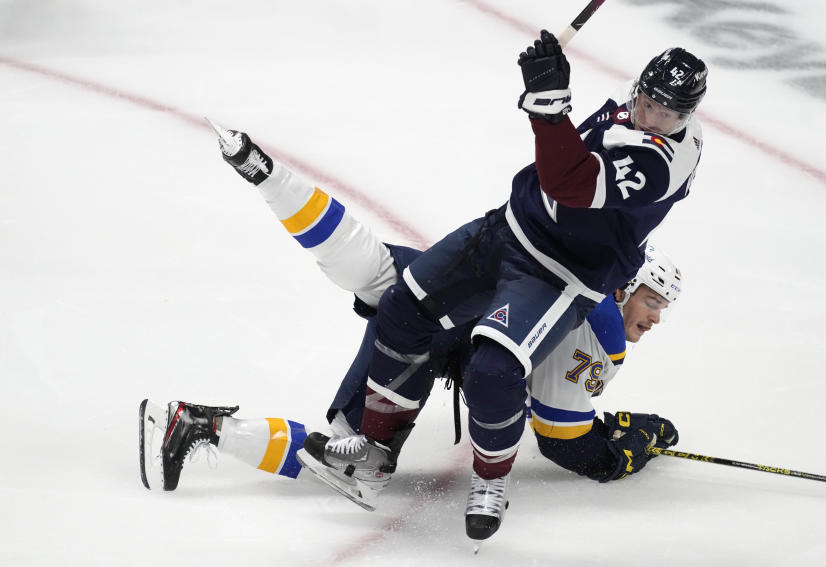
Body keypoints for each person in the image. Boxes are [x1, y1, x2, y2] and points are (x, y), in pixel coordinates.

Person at [139, 128, 683, 533]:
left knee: (378, 270)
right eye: (653, 299)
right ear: (624, 283)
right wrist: (627, 449)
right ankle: (202, 428)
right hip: (445, 342)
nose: (656, 318)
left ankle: (271, 177)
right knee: (357, 462)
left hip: (435, 305)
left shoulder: (589, 288)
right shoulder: (602, 325)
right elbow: (565, 441)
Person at [293, 29, 707, 541]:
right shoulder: (640, 106)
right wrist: (549, 74)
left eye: (665, 114)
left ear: (686, 115)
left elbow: (569, 183)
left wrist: (547, 107)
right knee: (402, 308)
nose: (649, 116)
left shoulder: (662, 164)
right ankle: (374, 454)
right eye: (645, 102)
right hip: (508, 228)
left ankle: (491, 482)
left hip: (558, 274)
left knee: (494, 370)